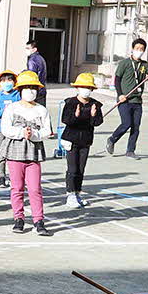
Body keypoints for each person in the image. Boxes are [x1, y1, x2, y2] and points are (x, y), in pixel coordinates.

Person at [0, 71, 51, 237]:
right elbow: (5, 129)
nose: (31, 91)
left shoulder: (41, 110)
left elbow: (47, 130)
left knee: (35, 188)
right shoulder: (12, 108)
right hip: (15, 150)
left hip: (33, 151)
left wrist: (34, 135)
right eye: (27, 88)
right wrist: (22, 132)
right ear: (20, 89)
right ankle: (18, 218)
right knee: (17, 187)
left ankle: (38, 220)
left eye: (33, 88)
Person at [106, 38, 148, 159]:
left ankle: (130, 150)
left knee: (136, 126)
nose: (139, 51)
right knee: (126, 123)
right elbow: (117, 79)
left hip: (137, 100)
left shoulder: (144, 65)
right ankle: (112, 139)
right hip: (124, 99)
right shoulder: (124, 63)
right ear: (132, 49)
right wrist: (120, 94)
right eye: (137, 48)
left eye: (141, 49)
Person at [60, 73, 104, 209]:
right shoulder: (70, 102)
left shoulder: (95, 104)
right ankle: (70, 194)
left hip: (85, 140)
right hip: (71, 139)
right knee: (72, 168)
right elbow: (65, 120)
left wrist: (93, 115)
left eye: (89, 87)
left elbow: (97, 122)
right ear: (78, 87)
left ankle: (77, 193)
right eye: (83, 87)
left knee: (81, 168)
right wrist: (75, 115)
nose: (86, 90)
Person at [0, 70, 20, 188]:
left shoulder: (17, 95)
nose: (6, 83)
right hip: (2, 129)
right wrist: (4, 111)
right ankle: (1, 176)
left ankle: (16, 177)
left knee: (15, 154)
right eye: (3, 81)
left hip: (15, 129)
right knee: (2, 154)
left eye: (9, 80)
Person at [25, 39, 49, 106]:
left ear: (34, 49)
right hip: (42, 88)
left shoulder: (32, 60)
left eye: (28, 48)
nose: (26, 50)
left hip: (35, 90)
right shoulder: (41, 58)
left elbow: (31, 76)